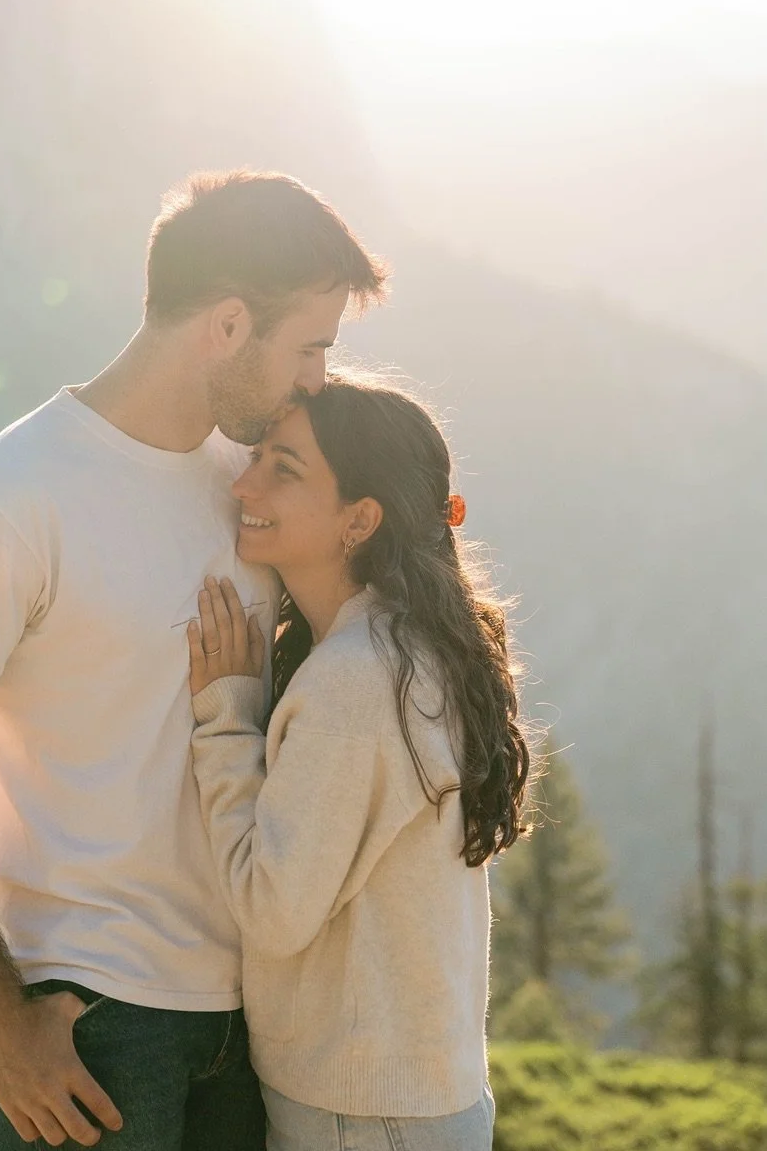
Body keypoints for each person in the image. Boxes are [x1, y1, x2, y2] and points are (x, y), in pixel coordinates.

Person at [0, 170, 387, 1151]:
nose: (318, 378)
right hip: (94, 1035)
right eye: (308, 345)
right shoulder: (9, 499)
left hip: (253, 1026)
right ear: (228, 325)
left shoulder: (257, 488)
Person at [187, 371, 533, 1151]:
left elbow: (274, 911)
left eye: (284, 467)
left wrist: (225, 722)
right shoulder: (406, 649)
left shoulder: (355, 679)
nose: (244, 483)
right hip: (408, 1105)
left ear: (358, 520)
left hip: (361, 1117)